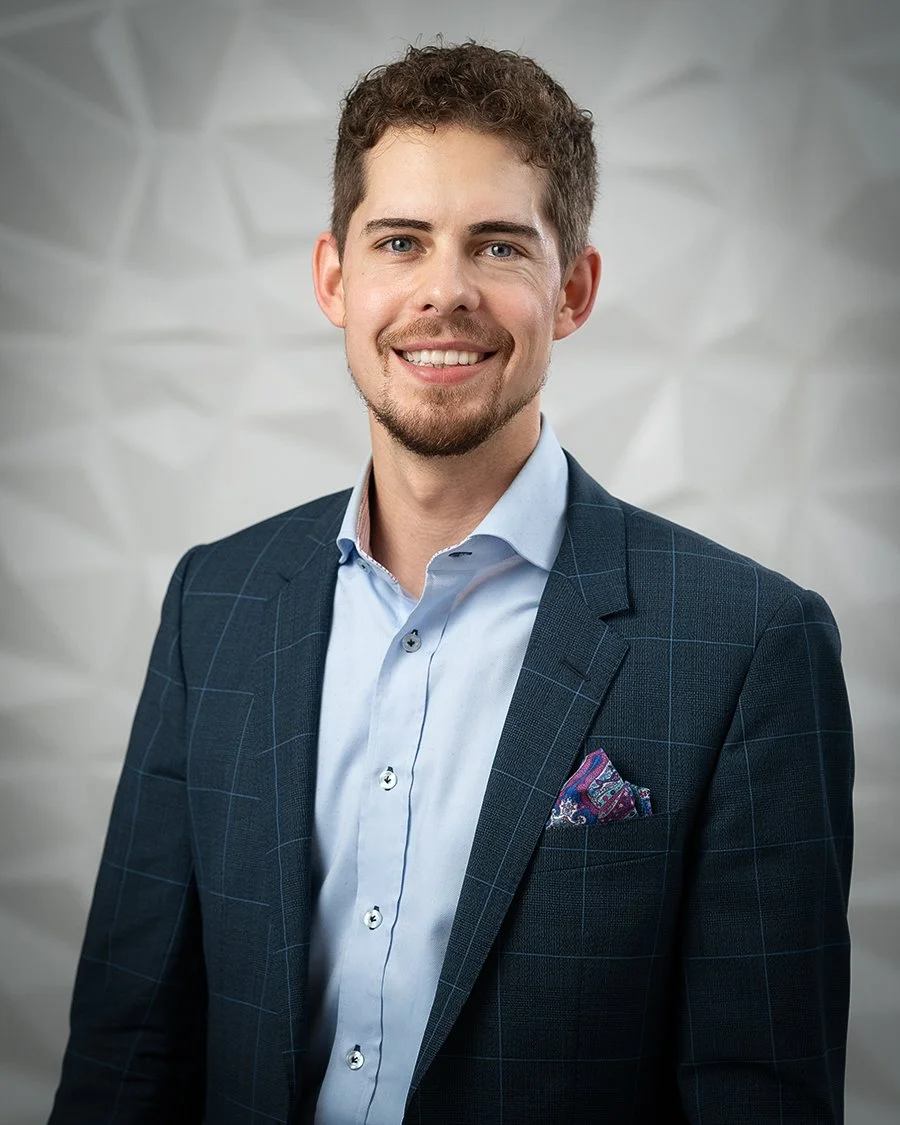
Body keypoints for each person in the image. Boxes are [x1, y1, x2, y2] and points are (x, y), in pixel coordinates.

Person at [49, 41, 853, 1125]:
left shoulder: (750, 643)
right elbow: (126, 1051)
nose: (445, 292)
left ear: (572, 290)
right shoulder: (217, 603)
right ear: (336, 279)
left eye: (498, 246)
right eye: (401, 241)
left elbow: (759, 1096)